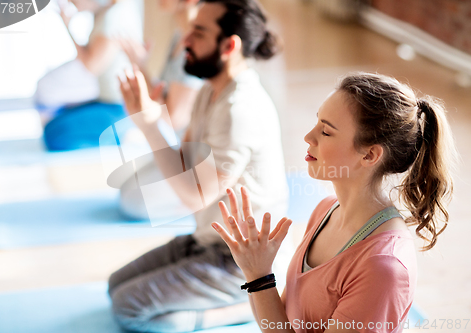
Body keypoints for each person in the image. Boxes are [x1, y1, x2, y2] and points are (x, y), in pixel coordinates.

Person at [212, 72, 457, 332]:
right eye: (316, 122)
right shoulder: (325, 210)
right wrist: (255, 272)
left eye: (326, 132)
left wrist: (260, 277)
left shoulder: (383, 266)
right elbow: (283, 326)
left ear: (370, 155)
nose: (309, 136)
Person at [108, 0, 292, 331]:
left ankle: (246, 306)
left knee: (128, 308)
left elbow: (193, 196)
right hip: (206, 241)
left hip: (242, 261)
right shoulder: (211, 91)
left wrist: (150, 125)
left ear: (229, 46)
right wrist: (148, 119)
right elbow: (183, 162)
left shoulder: (240, 109)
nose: (185, 41)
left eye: (198, 32)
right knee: (115, 285)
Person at [36, 0, 142, 151]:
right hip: (107, 101)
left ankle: (120, 136)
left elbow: (91, 66)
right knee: (55, 122)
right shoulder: (107, 13)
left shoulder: (114, 18)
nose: (71, 3)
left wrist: (67, 26)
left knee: (53, 135)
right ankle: (115, 136)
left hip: (116, 107)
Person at [119, 0, 204, 134]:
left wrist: (140, 66)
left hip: (187, 151)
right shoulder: (178, 35)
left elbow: (173, 119)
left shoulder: (195, 46)